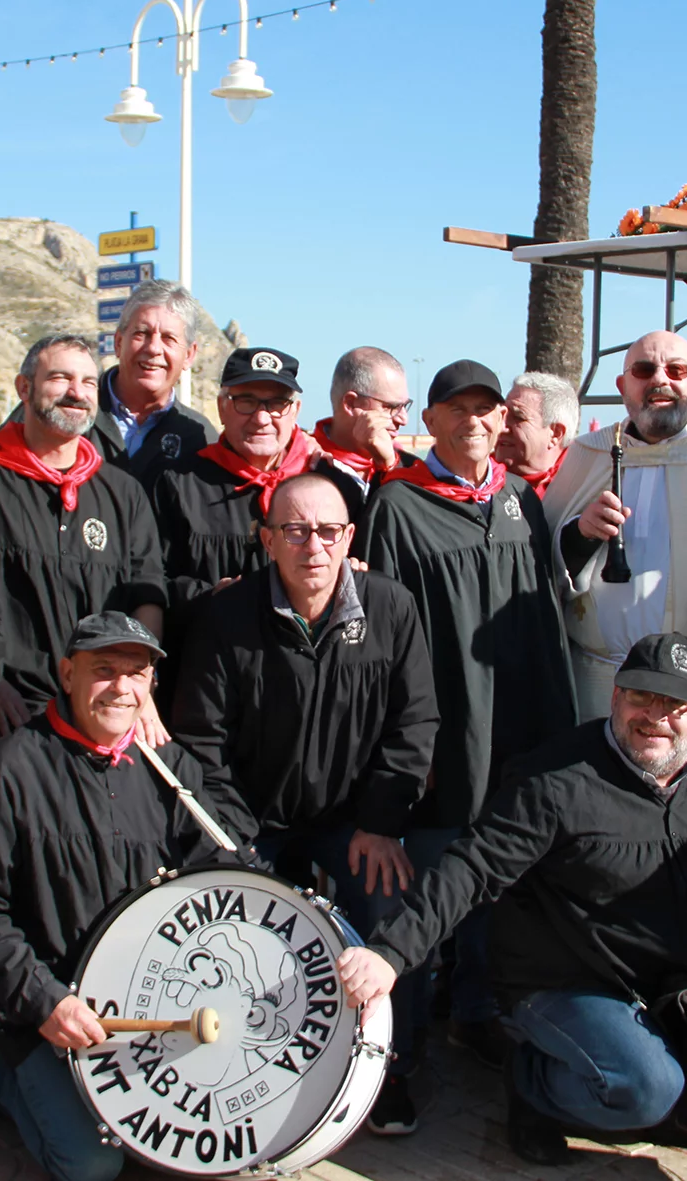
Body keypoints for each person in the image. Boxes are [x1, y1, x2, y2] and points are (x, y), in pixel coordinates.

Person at [336, 632, 687, 1166]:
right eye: (641, 697)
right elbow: (469, 869)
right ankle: (533, 1082)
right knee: (648, 1090)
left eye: (674, 705)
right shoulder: (556, 779)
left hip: (677, 974)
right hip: (567, 981)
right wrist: (390, 953)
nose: (654, 716)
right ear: (615, 698)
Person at [169, 470, 440, 1132]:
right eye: (293, 530)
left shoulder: (392, 607)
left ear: (349, 537)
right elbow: (200, 742)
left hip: (353, 821)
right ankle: (261, 1069)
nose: (311, 546)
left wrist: (380, 824)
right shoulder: (224, 618)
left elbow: (417, 724)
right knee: (242, 932)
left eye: (326, 531)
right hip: (251, 823)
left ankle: (390, 1070)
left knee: (394, 914)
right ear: (267, 540)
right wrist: (237, 846)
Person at [0, 613, 233, 1181]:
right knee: (94, 1164)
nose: (122, 688)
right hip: (45, 1015)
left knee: (201, 1151)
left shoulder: (170, 769)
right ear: (66, 674)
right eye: (104, 671)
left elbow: (227, 872)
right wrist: (44, 1003)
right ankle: (1, 1070)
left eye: (136, 675)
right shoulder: (7, 769)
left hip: (153, 1010)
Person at [356, 359, 575, 1118]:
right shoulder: (398, 506)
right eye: (459, 409)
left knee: (498, 888)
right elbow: (385, 637)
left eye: (488, 409)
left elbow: (543, 611)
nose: (475, 421)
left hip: (519, 733)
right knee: (421, 900)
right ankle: (395, 1059)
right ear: (434, 418)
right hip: (445, 737)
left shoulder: (519, 500)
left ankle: (476, 1015)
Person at [544, 330, 687, 770]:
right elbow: (540, 560)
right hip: (595, 678)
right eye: (644, 370)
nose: (660, 380)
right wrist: (580, 533)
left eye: (676, 370)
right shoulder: (588, 453)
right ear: (623, 386)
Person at [0, 334, 167, 739]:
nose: (76, 393)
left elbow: (146, 594)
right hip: (1, 715)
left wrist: (140, 685)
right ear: (24, 388)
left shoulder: (123, 492)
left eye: (89, 382)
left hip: (99, 716)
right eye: (60, 379)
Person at [147, 347, 317, 610]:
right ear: (222, 408)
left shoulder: (324, 483)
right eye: (246, 402)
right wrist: (209, 597)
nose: (262, 418)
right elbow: (151, 581)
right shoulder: (180, 486)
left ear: (295, 411)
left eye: (276, 404)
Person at [92, 279, 216, 477]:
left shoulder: (200, 438)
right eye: (141, 333)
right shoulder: (73, 409)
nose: (153, 348)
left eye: (169, 338)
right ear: (118, 342)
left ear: (189, 355)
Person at [310, 346, 418, 518]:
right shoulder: (303, 466)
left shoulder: (414, 468)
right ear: (351, 404)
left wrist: (390, 467)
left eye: (405, 406)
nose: (403, 420)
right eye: (390, 407)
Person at [494, 371, 577, 499]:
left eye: (518, 417)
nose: (502, 427)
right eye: (502, 415)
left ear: (555, 433)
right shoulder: (476, 479)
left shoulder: (584, 485)